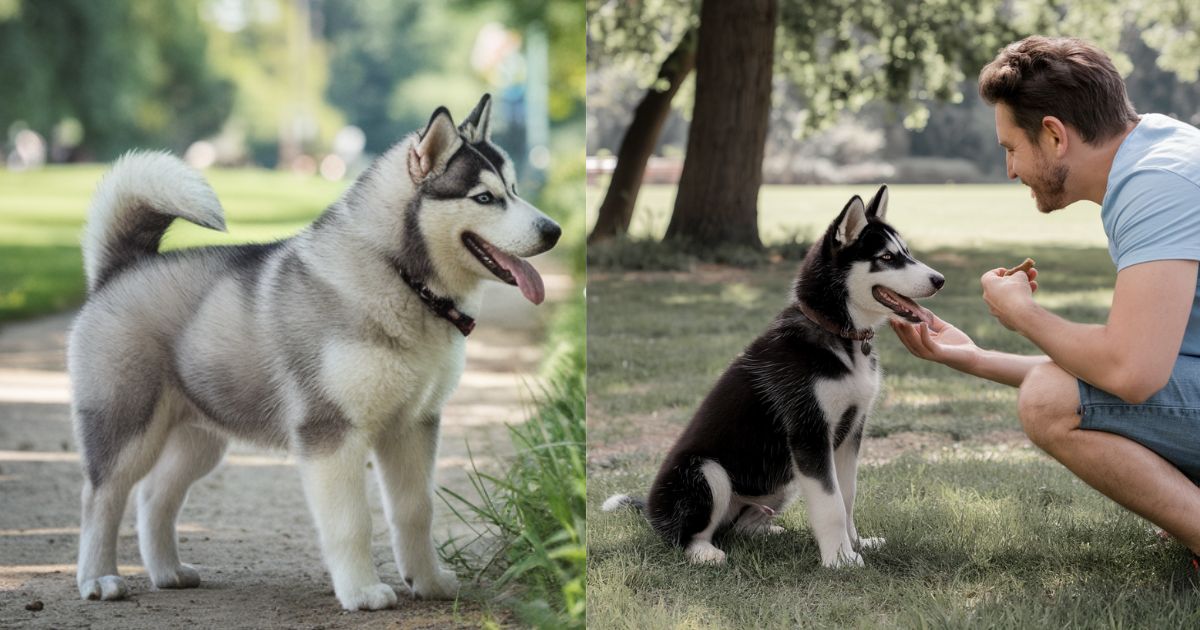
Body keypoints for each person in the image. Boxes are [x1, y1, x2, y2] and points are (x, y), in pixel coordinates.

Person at [889, 35, 1200, 574]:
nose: (1010, 170)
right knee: (1058, 388)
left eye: (1011, 148)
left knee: (1049, 401)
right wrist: (973, 356)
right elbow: (1139, 367)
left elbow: (1130, 373)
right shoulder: (1157, 154)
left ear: (1054, 135)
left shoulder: (1156, 185)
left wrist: (1023, 315)